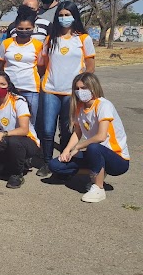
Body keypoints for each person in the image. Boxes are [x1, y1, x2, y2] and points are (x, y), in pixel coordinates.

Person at [49, 73, 130, 203]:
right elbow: (77, 132)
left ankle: (98, 188)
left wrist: (78, 147)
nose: (80, 92)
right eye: (78, 88)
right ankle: (97, 171)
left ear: (93, 87)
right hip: (96, 153)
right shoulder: (79, 108)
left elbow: (101, 136)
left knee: (93, 147)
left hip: (117, 158)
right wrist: (66, 151)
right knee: (55, 165)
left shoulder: (104, 105)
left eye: (84, 88)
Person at [37, 1, 95, 178]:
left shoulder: (84, 39)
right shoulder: (50, 39)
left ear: (75, 16)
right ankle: (47, 162)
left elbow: (90, 67)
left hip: (72, 93)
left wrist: (81, 88)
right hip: (50, 89)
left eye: (67, 15)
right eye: (60, 15)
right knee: (47, 129)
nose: (64, 18)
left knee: (67, 129)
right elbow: (42, 65)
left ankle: (63, 161)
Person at [0, 71, 41, 189]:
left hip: (28, 141)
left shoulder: (18, 101)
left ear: (8, 85)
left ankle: (17, 174)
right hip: (7, 140)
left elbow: (24, 129)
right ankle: (8, 165)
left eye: (2, 84)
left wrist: (2, 134)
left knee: (13, 142)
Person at [0, 5, 44, 125]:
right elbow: (1, 64)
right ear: (15, 28)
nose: (24, 31)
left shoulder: (38, 45)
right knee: (9, 121)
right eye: (20, 28)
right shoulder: (6, 43)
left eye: (27, 29)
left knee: (29, 122)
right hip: (10, 89)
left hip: (31, 89)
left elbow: (41, 67)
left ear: (33, 28)